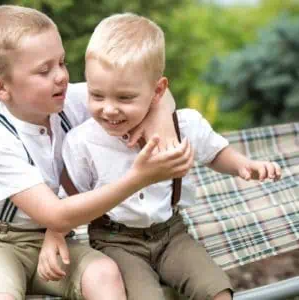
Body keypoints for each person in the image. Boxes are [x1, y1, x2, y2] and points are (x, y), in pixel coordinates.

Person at [0, 5, 194, 300]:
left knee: (105, 274)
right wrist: (140, 177)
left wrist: (163, 128)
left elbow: (155, 91)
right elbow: (55, 214)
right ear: (0, 86)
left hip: (57, 239)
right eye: (44, 70)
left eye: (62, 62)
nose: (61, 77)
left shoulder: (74, 101)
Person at [60, 13, 282, 300]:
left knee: (216, 289)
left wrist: (243, 165)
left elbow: (214, 151)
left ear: (158, 91)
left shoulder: (184, 125)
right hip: (115, 242)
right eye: (97, 95)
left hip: (172, 235)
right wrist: (57, 235)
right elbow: (71, 202)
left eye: (125, 98)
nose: (109, 109)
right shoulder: (83, 142)